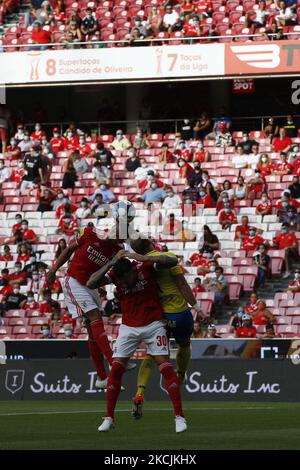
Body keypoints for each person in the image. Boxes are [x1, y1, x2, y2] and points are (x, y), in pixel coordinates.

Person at [87, 253, 187, 434]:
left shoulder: (146, 267)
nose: (124, 284)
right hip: (128, 327)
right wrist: (110, 261)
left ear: (133, 270)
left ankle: (179, 417)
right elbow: (91, 283)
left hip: (154, 324)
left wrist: (143, 257)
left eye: (126, 279)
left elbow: (172, 261)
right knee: (116, 369)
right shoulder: (116, 275)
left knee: (165, 368)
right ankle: (109, 417)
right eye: (121, 281)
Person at [46, 211, 136, 393]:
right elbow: (69, 249)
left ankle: (102, 377)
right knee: (95, 318)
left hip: (91, 286)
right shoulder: (90, 233)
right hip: (74, 281)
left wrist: (102, 283)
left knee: (92, 330)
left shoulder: (117, 252)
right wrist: (54, 269)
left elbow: (110, 272)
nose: (118, 236)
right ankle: (114, 362)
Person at [127, 237, 204, 415]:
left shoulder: (139, 266)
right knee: (184, 344)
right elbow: (182, 285)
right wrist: (198, 309)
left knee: (153, 354)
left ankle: (139, 392)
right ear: (151, 246)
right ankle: (181, 375)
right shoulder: (166, 257)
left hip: (158, 317)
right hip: (179, 314)